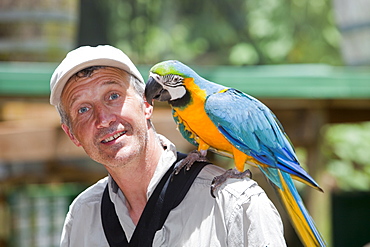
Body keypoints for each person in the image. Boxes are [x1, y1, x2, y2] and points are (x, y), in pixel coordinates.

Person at [50, 45, 286, 247]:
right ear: (72, 134)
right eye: (83, 109)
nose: (103, 119)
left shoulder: (235, 203)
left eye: (113, 96)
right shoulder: (82, 216)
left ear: (146, 104)